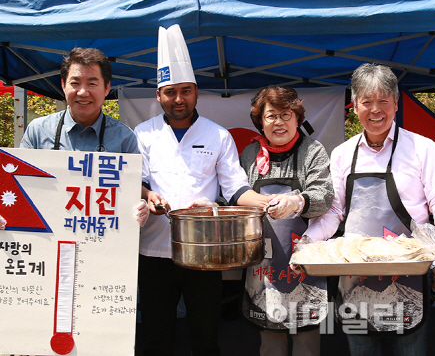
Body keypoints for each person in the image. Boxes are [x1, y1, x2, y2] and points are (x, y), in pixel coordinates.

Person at [134, 24, 273, 356]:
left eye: (185, 91)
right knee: (155, 336)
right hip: (153, 250)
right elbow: (135, 181)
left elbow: (237, 187)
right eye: (170, 92)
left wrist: (269, 202)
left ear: (196, 92)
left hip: (204, 254)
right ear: (158, 95)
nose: (178, 99)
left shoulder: (218, 135)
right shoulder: (142, 133)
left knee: (205, 336)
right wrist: (147, 195)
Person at [303, 63, 435, 356]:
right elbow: (334, 211)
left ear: (396, 104)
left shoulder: (422, 148)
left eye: (383, 101)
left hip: (409, 269)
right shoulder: (342, 154)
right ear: (354, 106)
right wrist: (309, 243)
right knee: (362, 348)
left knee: (410, 347)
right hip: (354, 271)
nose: (375, 110)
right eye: (367, 102)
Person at [0, 47, 148, 229]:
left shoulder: (124, 137)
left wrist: (140, 209)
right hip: (47, 239)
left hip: (101, 243)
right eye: (75, 83)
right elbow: (18, 186)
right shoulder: (38, 131)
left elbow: (131, 193)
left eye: (92, 84)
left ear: (107, 88)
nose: (83, 92)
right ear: (63, 85)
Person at [238, 85, 334, 356]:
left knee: (305, 340)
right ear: (260, 121)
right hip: (264, 265)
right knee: (270, 341)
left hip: (303, 263)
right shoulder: (249, 155)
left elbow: (324, 195)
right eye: (271, 116)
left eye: (286, 115)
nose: (278, 122)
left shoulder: (312, 150)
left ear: (297, 119)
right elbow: (234, 195)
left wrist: (296, 201)